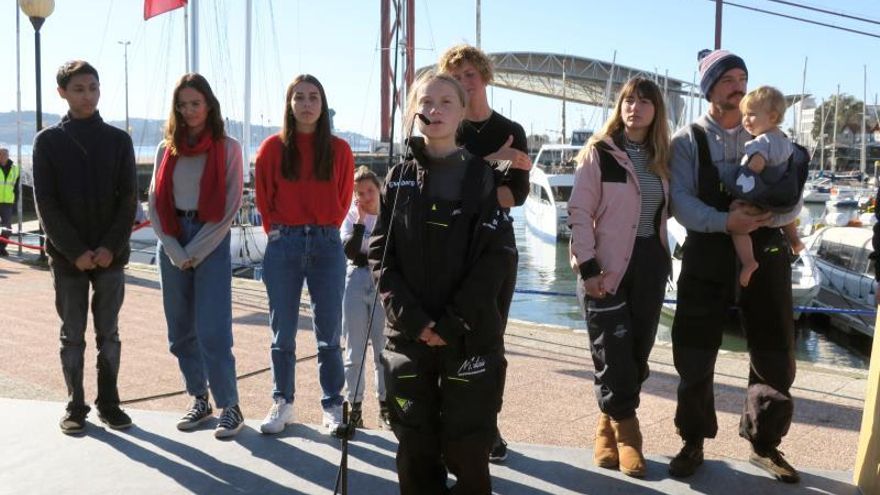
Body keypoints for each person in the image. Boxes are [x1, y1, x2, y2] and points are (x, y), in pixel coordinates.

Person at [369, 71, 515, 494]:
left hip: (468, 338)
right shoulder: (397, 177)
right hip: (409, 338)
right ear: (415, 109)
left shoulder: (482, 178)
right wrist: (415, 322)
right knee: (415, 447)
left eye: (446, 102)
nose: (435, 110)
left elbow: (495, 259)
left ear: (462, 111)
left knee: (468, 447)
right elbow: (381, 254)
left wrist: (451, 323)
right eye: (427, 102)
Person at [668, 49, 802, 483]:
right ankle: (693, 439)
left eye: (743, 77)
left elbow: (795, 194)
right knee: (693, 349)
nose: (738, 85)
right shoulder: (687, 140)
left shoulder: (770, 134)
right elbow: (682, 203)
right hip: (707, 250)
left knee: (774, 350)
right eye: (728, 79)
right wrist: (727, 220)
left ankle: (765, 444)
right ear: (710, 88)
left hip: (767, 251)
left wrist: (768, 219)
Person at [568, 77, 671, 478]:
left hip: (650, 263)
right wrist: (589, 266)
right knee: (611, 351)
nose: (635, 107)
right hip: (605, 265)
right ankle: (628, 434)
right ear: (620, 106)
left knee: (637, 352)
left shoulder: (664, 159)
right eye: (629, 100)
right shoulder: (600, 153)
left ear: (656, 110)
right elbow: (578, 211)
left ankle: (605, 425)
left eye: (644, 101)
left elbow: (670, 210)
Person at [32, 60, 137, 434]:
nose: (87, 95)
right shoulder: (47, 142)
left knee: (109, 332)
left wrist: (110, 246)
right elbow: (47, 203)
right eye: (79, 89)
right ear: (62, 92)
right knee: (72, 334)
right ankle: (76, 405)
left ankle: (109, 402)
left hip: (111, 257)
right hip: (66, 259)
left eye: (93, 87)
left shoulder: (118, 140)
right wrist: (75, 251)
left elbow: (128, 200)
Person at [438, 42, 531, 464]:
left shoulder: (510, 128)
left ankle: (488, 425)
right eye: (454, 77)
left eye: (469, 75)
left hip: (496, 248)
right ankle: (452, 421)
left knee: (491, 341)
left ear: (485, 77)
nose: (463, 83)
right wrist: (497, 161)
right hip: (451, 249)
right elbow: (444, 188)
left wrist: (477, 180)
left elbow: (517, 195)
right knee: (449, 338)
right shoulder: (444, 129)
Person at [255, 74, 354, 436]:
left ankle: (332, 406)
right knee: (282, 332)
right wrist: (278, 232)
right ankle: (284, 402)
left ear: (323, 104)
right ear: (290, 104)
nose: (307, 104)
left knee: (329, 332)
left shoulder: (340, 150)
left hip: (327, 245)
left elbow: (344, 199)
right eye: (300, 97)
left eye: (314, 97)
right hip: (285, 243)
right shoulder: (271, 149)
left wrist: (326, 228)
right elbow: (264, 199)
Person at [148, 73, 245, 439]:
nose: (189, 111)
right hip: (173, 240)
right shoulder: (165, 149)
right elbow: (155, 204)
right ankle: (198, 398)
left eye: (195, 104)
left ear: (209, 105)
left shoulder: (229, 147)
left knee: (213, 330)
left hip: (210, 239)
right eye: (182, 105)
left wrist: (195, 250)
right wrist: (175, 249)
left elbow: (230, 206)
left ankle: (230, 405)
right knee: (179, 331)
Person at [721, 85, 804, 287]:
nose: (745, 121)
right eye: (744, 115)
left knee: (737, 224)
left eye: (751, 115)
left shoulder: (761, 142)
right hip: (786, 206)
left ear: (773, 117)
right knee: (787, 217)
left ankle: (749, 262)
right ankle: (795, 241)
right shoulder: (785, 140)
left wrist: (739, 182)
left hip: (763, 203)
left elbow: (755, 167)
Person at [341, 166, 390, 429]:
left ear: (379, 188)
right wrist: (360, 222)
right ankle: (355, 407)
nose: (366, 197)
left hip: (382, 282)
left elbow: (393, 251)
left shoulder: (389, 214)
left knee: (383, 351)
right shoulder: (351, 216)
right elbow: (351, 251)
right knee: (354, 351)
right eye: (360, 193)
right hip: (357, 280)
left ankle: (385, 407)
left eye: (370, 191)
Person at [0, 147, 19, 257]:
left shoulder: (15, 169)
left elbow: (16, 187)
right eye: (1, 155)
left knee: (7, 227)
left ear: (8, 156)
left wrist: (15, 199)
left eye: (5, 155)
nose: (3, 157)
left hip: (7, 202)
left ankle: (1, 248)